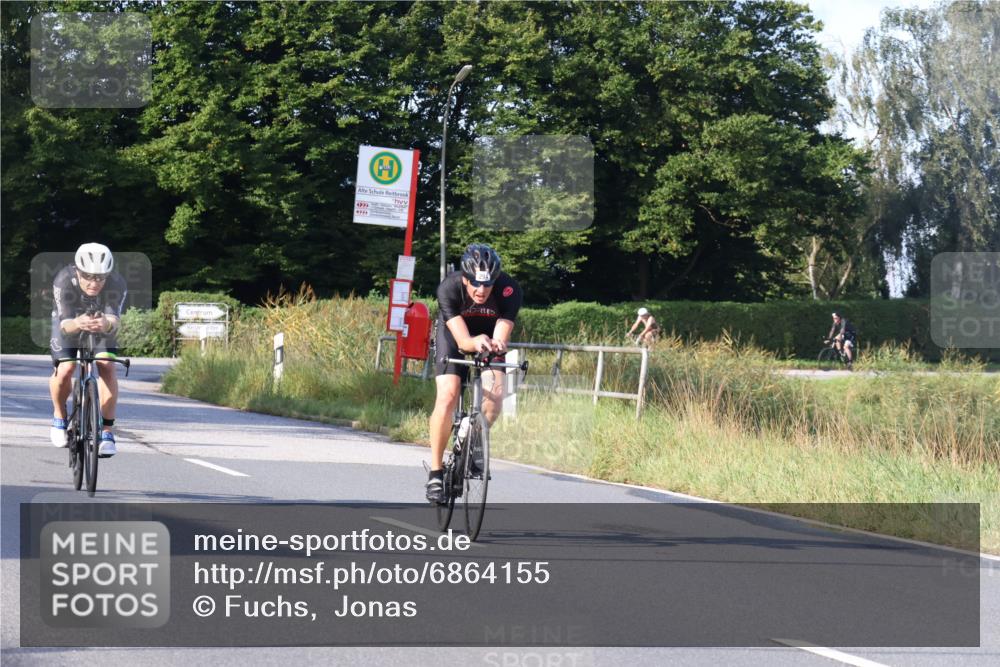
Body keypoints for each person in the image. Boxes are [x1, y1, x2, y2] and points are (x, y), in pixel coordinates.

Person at [425, 243, 522, 503]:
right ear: (465, 279)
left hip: (488, 337)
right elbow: (463, 339)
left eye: (488, 285)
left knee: (496, 398)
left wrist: (497, 343)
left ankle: (473, 442)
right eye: (476, 284)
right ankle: (435, 473)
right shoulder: (449, 288)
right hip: (455, 337)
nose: (481, 291)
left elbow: (502, 332)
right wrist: (474, 341)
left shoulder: (509, 290)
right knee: (448, 395)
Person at [49, 243, 128, 456]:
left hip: (99, 321)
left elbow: (114, 319)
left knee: (107, 366)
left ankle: (107, 432)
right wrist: (78, 323)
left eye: (100, 278)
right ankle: (59, 417)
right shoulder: (64, 280)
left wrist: (106, 324)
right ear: (77, 271)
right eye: (88, 277)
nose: (94, 283)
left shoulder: (116, 283)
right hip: (69, 321)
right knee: (66, 369)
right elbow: (65, 325)